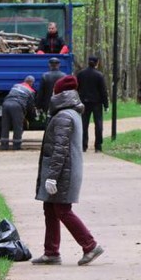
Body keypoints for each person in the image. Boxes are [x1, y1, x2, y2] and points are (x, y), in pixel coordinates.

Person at [31, 74, 105, 266]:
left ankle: (90, 245)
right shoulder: (70, 112)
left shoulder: (64, 116)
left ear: (59, 93)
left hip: (64, 171)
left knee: (62, 210)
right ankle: (51, 252)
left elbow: (60, 149)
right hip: (64, 170)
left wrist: (52, 177)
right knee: (50, 207)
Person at [77, 55, 109, 152]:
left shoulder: (80, 74)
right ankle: (98, 146)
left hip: (83, 102)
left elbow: (76, 88)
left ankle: (83, 146)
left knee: (83, 124)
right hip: (96, 103)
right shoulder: (99, 75)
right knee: (98, 124)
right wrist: (106, 105)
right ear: (97, 63)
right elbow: (103, 91)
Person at [1, 75, 37, 150]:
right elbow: (30, 106)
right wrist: (29, 116)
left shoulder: (16, 85)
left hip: (6, 104)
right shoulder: (31, 91)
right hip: (17, 105)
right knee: (17, 126)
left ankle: (4, 146)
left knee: (5, 125)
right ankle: (16, 146)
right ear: (31, 82)